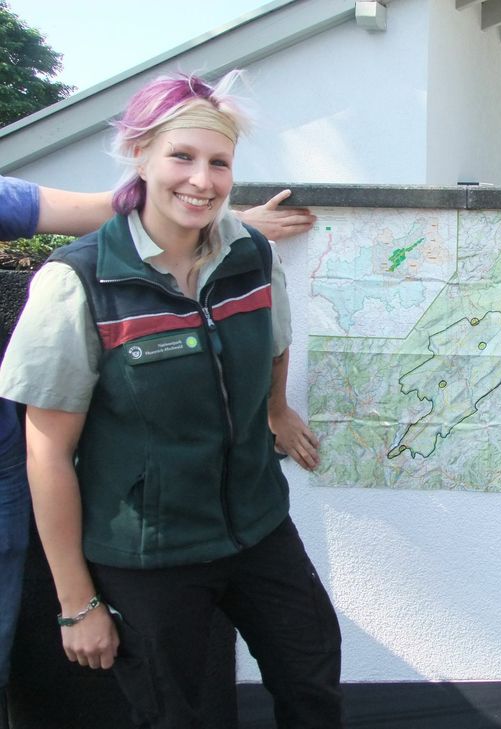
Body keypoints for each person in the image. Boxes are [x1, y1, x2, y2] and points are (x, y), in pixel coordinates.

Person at [0, 70, 341, 729]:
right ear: (140, 155)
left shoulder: (251, 253)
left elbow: (274, 340)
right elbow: (46, 451)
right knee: (181, 714)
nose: (202, 179)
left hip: (258, 527)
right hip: (148, 554)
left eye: (219, 162)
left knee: (313, 679)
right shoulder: (76, 282)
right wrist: (76, 602)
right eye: (181, 156)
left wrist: (276, 410)